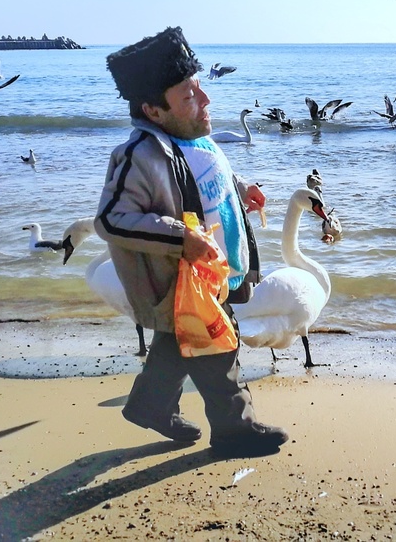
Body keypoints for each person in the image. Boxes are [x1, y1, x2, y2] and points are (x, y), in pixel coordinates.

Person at [96, 26, 288, 456]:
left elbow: (202, 180)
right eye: (188, 96)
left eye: (200, 89)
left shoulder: (192, 135)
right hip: (182, 279)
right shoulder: (138, 155)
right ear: (153, 109)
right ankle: (234, 430)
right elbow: (111, 220)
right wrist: (181, 239)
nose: (205, 101)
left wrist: (241, 187)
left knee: (177, 343)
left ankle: (149, 406)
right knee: (218, 346)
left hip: (212, 273)